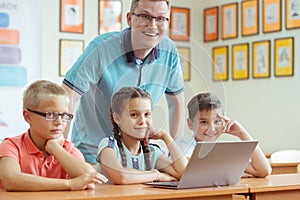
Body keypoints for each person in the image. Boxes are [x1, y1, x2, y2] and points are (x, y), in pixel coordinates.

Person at [62, 0, 185, 164]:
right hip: (92, 157)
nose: (153, 25)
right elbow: (67, 96)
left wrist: (174, 153)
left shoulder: (168, 51)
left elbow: (176, 104)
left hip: (137, 159)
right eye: (145, 16)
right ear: (129, 18)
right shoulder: (101, 48)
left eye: (161, 19)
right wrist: (61, 153)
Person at [0, 80, 107, 191]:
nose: (59, 122)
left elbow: (90, 179)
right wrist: (69, 184)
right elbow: (11, 180)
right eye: (51, 114)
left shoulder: (68, 149)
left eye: (64, 115)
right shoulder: (11, 146)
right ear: (28, 117)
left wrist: (55, 149)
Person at [96, 87, 188, 184]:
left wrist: (166, 137)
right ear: (117, 118)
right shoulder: (109, 146)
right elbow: (121, 176)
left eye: (147, 114)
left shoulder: (152, 152)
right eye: (134, 115)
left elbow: (184, 174)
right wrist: (157, 175)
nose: (142, 121)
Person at [177, 93, 272, 178]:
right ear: (190, 124)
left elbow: (263, 171)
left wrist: (242, 133)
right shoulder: (182, 146)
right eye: (204, 122)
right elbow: (191, 170)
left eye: (217, 121)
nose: (212, 129)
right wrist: (231, 172)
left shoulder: (223, 150)